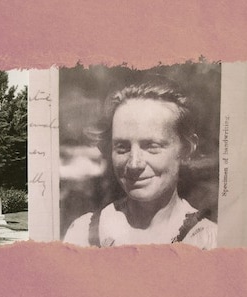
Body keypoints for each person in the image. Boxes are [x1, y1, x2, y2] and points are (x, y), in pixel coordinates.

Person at [63, 79, 217, 249]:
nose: (134, 163)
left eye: (152, 146)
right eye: (122, 147)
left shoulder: (208, 241)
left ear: (185, 149)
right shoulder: (83, 234)